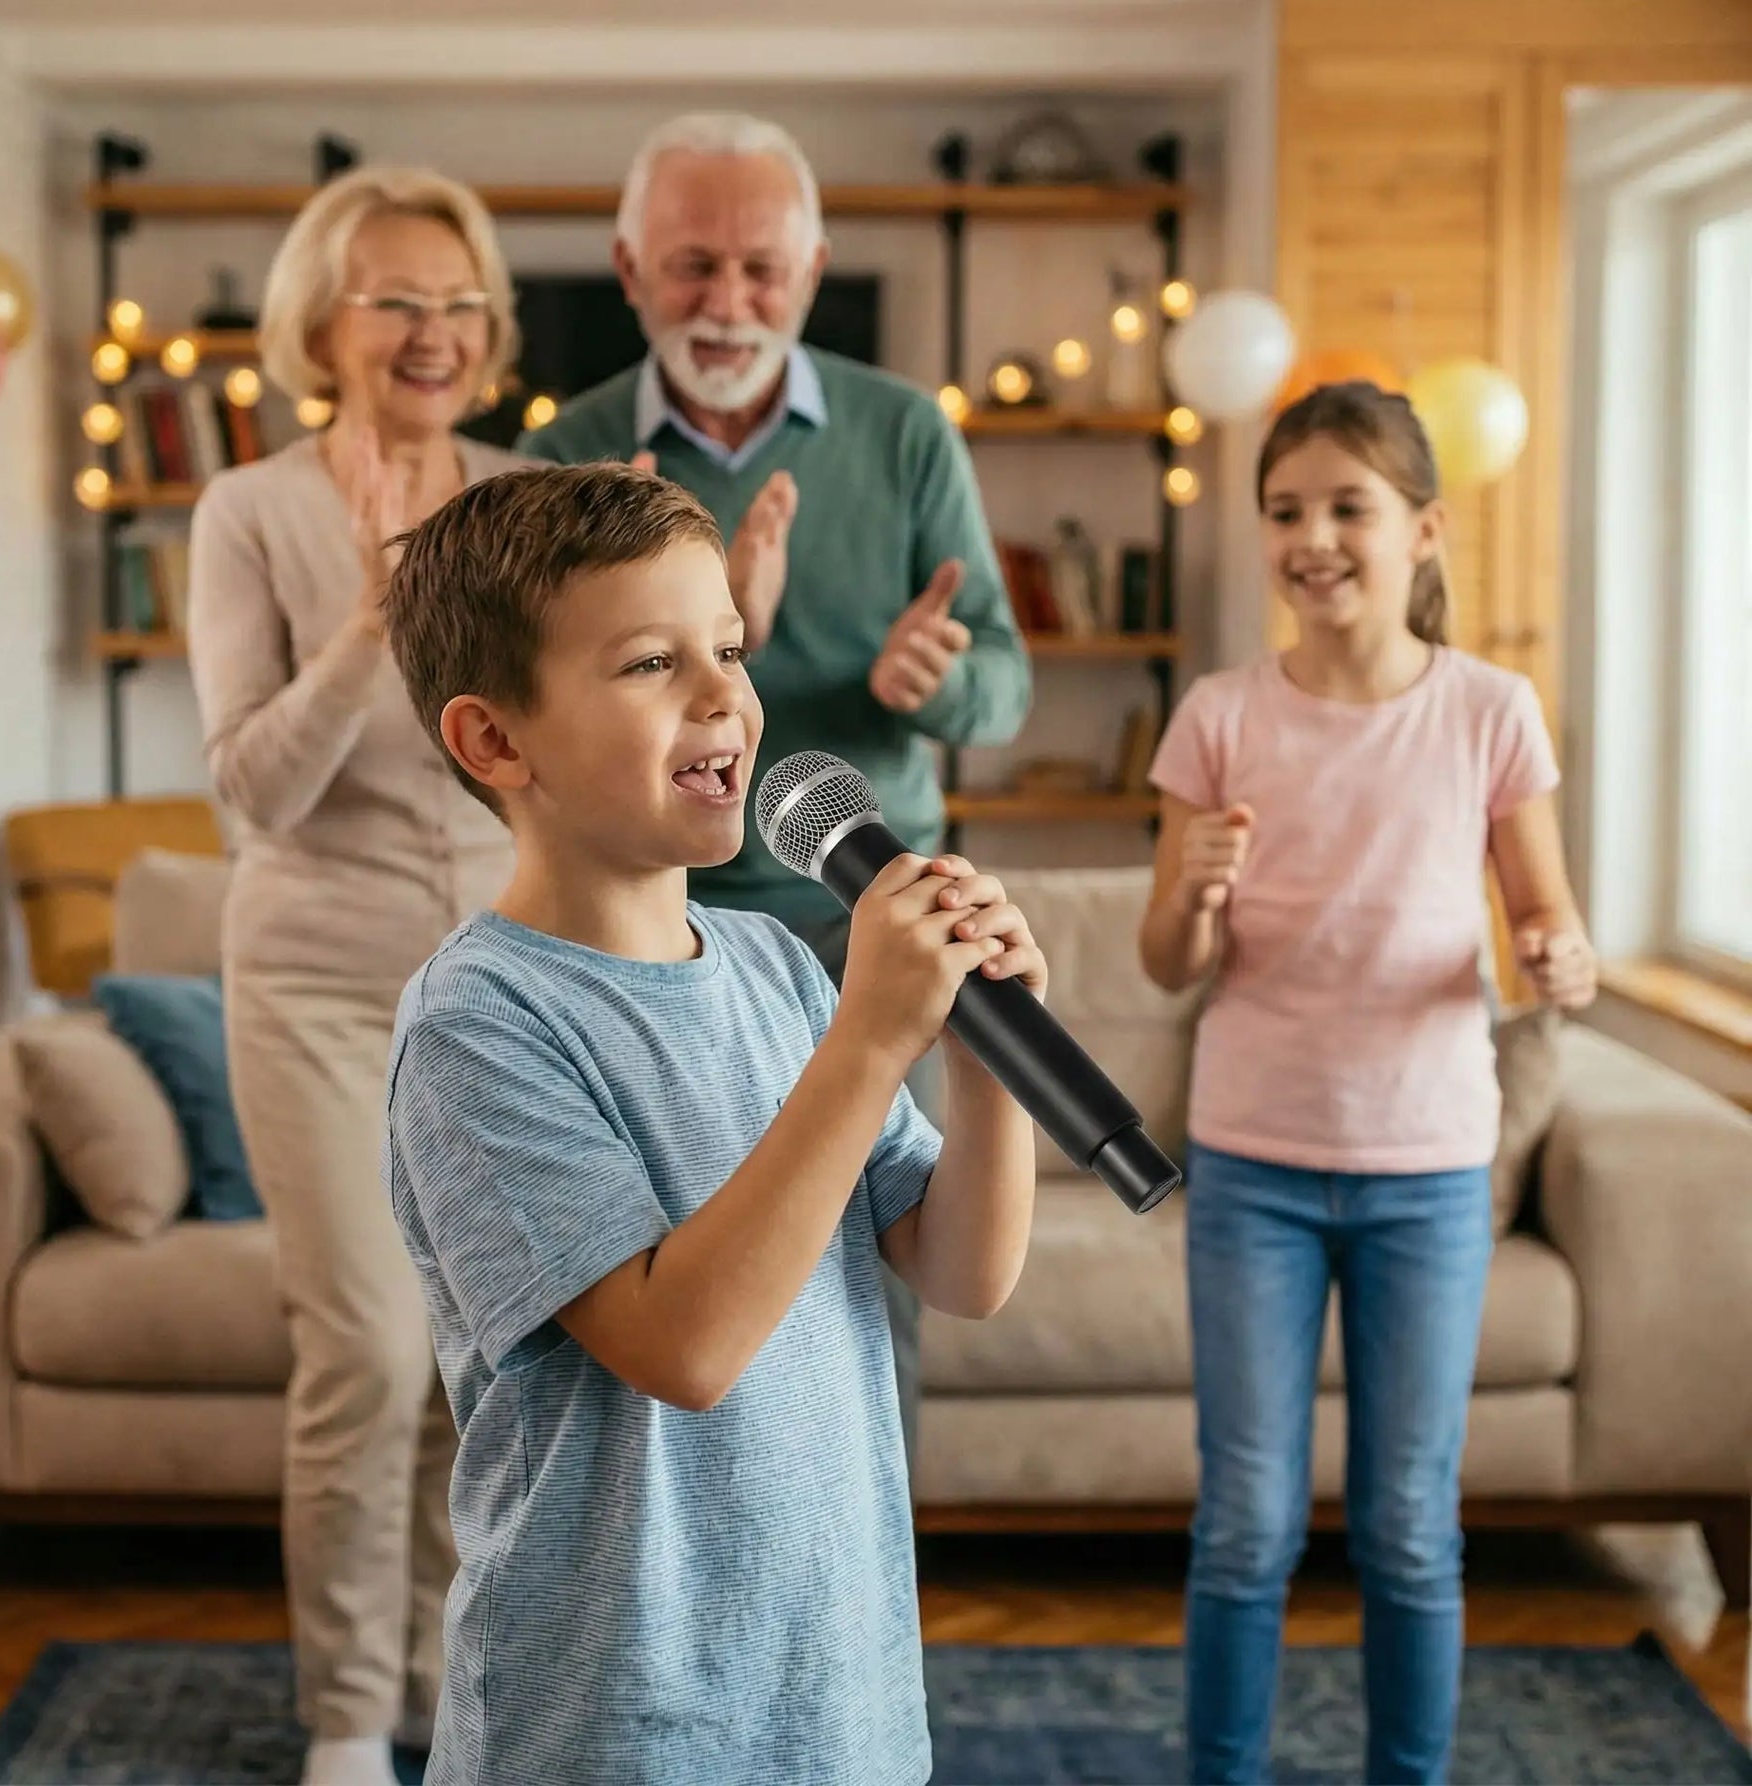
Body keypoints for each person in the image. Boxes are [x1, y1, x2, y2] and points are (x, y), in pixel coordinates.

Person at [377, 459, 1040, 1785]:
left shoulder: (778, 968)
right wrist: (869, 1039)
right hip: (616, 1723)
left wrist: (984, 1054)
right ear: (495, 740)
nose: (723, 694)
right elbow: (681, 1344)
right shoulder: (477, 1024)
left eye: (728, 645)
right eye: (647, 663)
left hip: (833, 1695)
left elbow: (960, 1269)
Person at [518, 111, 1032, 1473]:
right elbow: (526, 721)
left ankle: (844, 1570)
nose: (727, 301)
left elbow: (1007, 685)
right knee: (675, 1282)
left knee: (864, 1283)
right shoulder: (565, 453)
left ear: (809, 273)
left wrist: (940, 684)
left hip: (859, 912)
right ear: (629, 271)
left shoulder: (904, 432)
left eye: (760, 268)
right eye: (692, 266)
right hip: (641, 931)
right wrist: (710, 630)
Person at [1137, 381, 1598, 1786]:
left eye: (1347, 506)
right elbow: (1166, 962)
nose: (1312, 536)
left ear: (1424, 531)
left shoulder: (1487, 710)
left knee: (1406, 1522)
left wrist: (1556, 954)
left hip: (1428, 1170)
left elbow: (1542, 927)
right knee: (1243, 1523)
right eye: (1285, 510)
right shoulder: (1216, 715)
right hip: (1251, 1166)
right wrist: (1199, 897)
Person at [186, 166, 524, 1786]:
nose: (434, 332)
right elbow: (252, 790)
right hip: (316, 985)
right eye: (397, 299)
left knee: (483, 1354)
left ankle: (445, 1693)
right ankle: (341, 1720)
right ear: (320, 320)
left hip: (494, 985)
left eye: (460, 303)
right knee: (369, 1350)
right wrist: (369, 622)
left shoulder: (527, 498)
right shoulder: (246, 512)